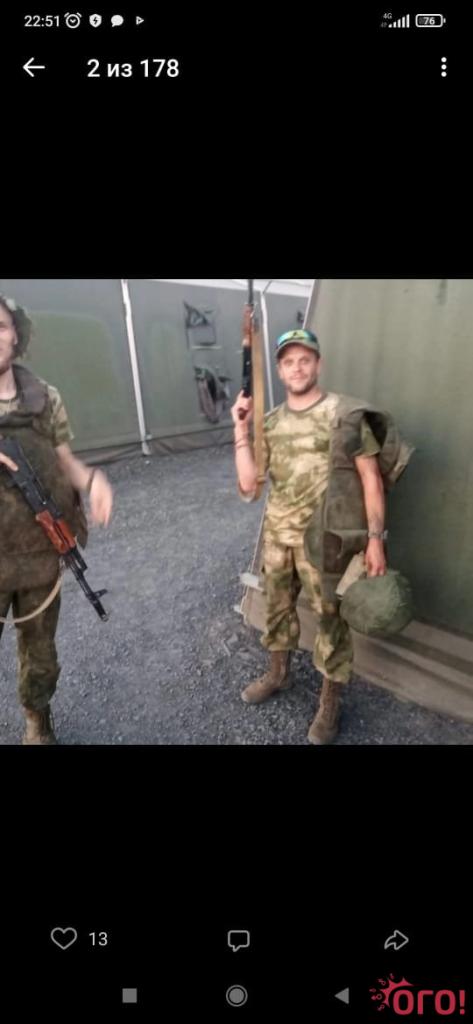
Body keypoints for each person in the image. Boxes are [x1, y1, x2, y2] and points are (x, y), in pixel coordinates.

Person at [231, 327, 390, 745]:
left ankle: (330, 702)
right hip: (278, 539)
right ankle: (278, 674)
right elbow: (248, 485)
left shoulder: (344, 415)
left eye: (305, 359)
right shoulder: (270, 422)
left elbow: (371, 479)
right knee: (277, 610)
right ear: (280, 370)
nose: (297, 368)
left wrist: (376, 539)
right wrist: (240, 430)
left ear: (318, 364)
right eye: (289, 362)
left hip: (326, 542)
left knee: (329, 620)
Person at [0, 294, 113, 745]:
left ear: (16, 334)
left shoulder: (44, 398)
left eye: (1, 326)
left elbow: (66, 461)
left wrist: (93, 481)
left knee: (41, 654)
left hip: (38, 553)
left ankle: (37, 720)